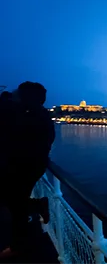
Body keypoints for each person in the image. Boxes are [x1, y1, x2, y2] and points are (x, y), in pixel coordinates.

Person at [0, 82, 55, 258]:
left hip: (24, 166)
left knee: (15, 204)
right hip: (29, 165)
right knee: (16, 202)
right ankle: (36, 206)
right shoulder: (37, 115)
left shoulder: (28, 115)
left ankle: (18, 247)